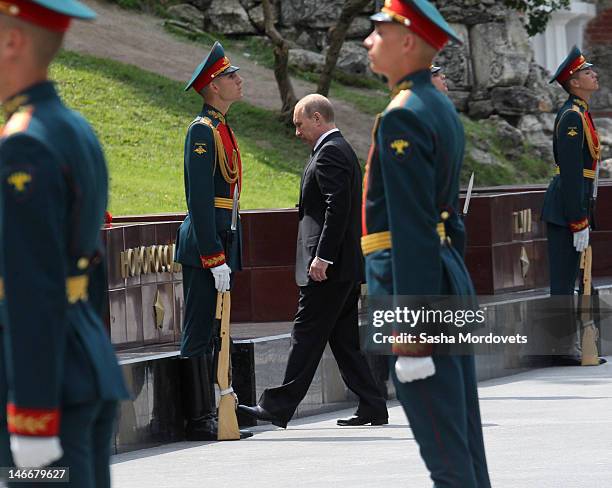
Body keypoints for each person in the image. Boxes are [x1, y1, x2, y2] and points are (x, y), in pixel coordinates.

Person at [361, 1, 491, 486]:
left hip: (417, 291)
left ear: (407, 41)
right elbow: (449, 221)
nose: (368, 42)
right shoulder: (436, 105)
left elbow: (412, 226)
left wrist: (410, 324)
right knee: (462, 438)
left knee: (443, 443)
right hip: (443, 277)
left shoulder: (404, 115)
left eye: (378, 32)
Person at [0, 1, 129, 486]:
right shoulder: (72, 127)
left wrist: (31, 415)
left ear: (12, 41)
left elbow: (30, 288)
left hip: (42, 384)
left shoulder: (23, 144)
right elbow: (88, 268)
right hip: (82, 360)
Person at [238, 94, 388, 428]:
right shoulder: (339, 148)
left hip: (328, 270)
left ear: (317, 118)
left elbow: (338, 209)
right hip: (343, 267)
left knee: (305, 336)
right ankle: (373, 404)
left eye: (299, 124)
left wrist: (322, 257)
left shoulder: (331, 151)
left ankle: (277, 407)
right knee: (345, 342)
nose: (296, 132)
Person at [175, 41, 251, 440]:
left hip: (223, 237)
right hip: (207, 243)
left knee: (220, 327)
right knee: (200, 328)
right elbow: (200, 200)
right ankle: (199, 417)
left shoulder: (221, 128)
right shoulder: (202, 132)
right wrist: (213, 255)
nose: (238, 81)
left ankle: (226, 405)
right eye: (230, 76)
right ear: (212, 86)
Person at [541, 46, 605, 366]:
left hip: (576, 202)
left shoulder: (581, 112)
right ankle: (559, 347)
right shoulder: (571, 116)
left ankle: (574, 345)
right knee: (564, 280)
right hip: (566, 207)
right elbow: (569, 170)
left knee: (578, 279)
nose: (594, 75)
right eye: (587, 72)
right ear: (574, 82)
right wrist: (577, 219)